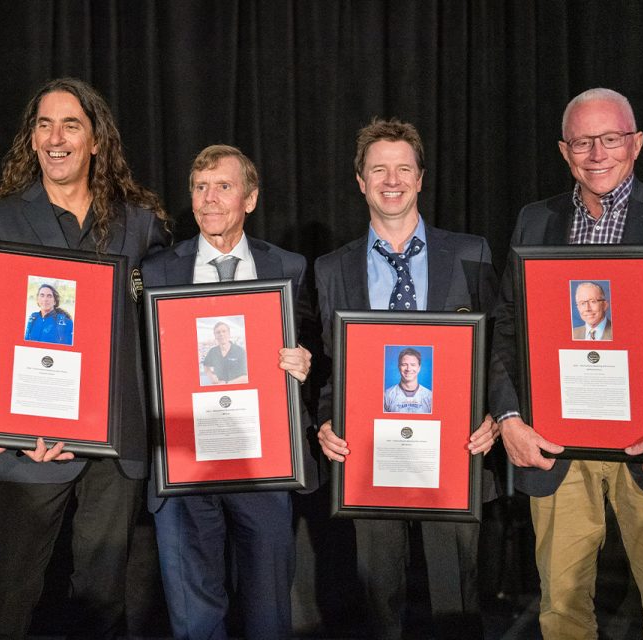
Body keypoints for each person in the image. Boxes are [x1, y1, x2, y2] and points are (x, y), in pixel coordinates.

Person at [488, 88, 643, 639]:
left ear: (636, 144)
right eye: (583, 141)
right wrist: (508, 418)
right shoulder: (534, 220)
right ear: (564, 151)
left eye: (611, 139)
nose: (598, 153)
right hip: (558, 447)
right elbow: (506, 326)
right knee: (561, 612)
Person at [0, 77, 171, 640]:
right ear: (31, 140)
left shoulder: (139, 222)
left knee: (103, 595)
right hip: (28, 440)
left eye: (71, 124)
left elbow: (161, 329)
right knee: (13, 587)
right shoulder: (0, 219)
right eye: (44, 124)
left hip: (114, 440)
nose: (56, 137)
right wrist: (10, 428)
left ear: (97, 140)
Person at [315, 118, 500, 639]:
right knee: (377, 598)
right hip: (370, 456)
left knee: (455, 599)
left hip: (456, 453)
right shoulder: (331, 269)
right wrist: (326, 420)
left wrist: (494, 414)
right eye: (378, 169)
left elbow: (497, 350)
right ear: (360, 181)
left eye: (403, 168)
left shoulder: (472, 253)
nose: (391, 180)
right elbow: (330, 366)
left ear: (421, 178)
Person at [141, 144, 313, 640]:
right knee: (195, 621)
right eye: (199, 187)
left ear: (251, 198)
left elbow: (313, 351)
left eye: (223, 186)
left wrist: (304, 360)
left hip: (263, 465)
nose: (209, 199)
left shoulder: (289, 269)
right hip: (184, 468)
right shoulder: (156, 271)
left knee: (268, 618)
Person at [383, 347, 432, 413]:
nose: (408, 369)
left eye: (413, 365)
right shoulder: (387, 395)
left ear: (419, 368)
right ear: (399, 367)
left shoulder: (429, 396)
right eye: (404, 365)